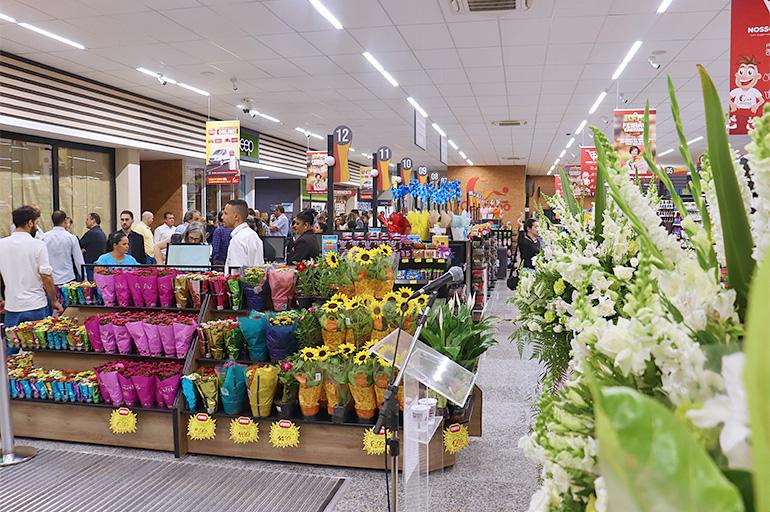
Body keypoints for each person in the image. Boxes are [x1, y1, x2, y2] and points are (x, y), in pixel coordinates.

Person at [0, 206, 63, 340]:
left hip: (12, 306)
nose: (36, 226)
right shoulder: (38, 245)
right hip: (36, 305)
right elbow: (46, 276)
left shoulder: (2, 245)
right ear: (29, 223)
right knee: (38, 348)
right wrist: (54, 300)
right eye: (36, 223)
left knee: (14, 349)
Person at [44, 210, 85, 286]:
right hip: (68, 278)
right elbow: (78, 260)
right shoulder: (71, 238)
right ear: (65, 220)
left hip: (50, 278)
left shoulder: (44, 237)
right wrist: (84, 278)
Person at [223, 199, 264, 272]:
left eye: (226, 213)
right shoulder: (253, 235)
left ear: (236, 217)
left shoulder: (238, 239)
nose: (222, 217)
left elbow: (237, 273)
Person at [79, 212, 107, 280]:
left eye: (87, 219)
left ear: (93, 220)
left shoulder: (91, 233)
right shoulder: (102, 233)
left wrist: (82, 251)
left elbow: (78, 245)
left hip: (90, 266)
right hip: (99, 266)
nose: (85, 222)